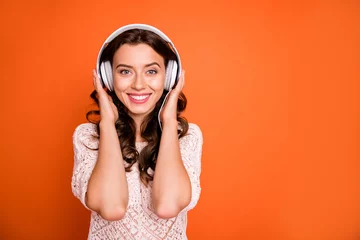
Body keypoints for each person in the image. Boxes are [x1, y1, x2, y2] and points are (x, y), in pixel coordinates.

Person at [71, 24, 203, 239]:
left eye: (151, 71)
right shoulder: (88, 137)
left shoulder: (187, 137)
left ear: (169, 77)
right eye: (125, 71)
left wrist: (168, 121)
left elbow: (167, 206)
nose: (139, 84)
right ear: (107, 77)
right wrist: (107, 124)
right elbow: (112, 207)